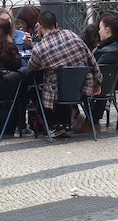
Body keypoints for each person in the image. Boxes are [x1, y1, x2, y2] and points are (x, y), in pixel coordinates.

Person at [18, 10, 101, 138]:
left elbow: (32, 68)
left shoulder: (40, 48)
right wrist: (97, 81)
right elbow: (92, 61)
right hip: (81, 90)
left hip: (56, 94)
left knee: (34, 88)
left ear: (39, 27)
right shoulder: (73, 36)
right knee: (63, 81)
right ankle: (66, 123)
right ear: (56, 24)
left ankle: (53, 125)